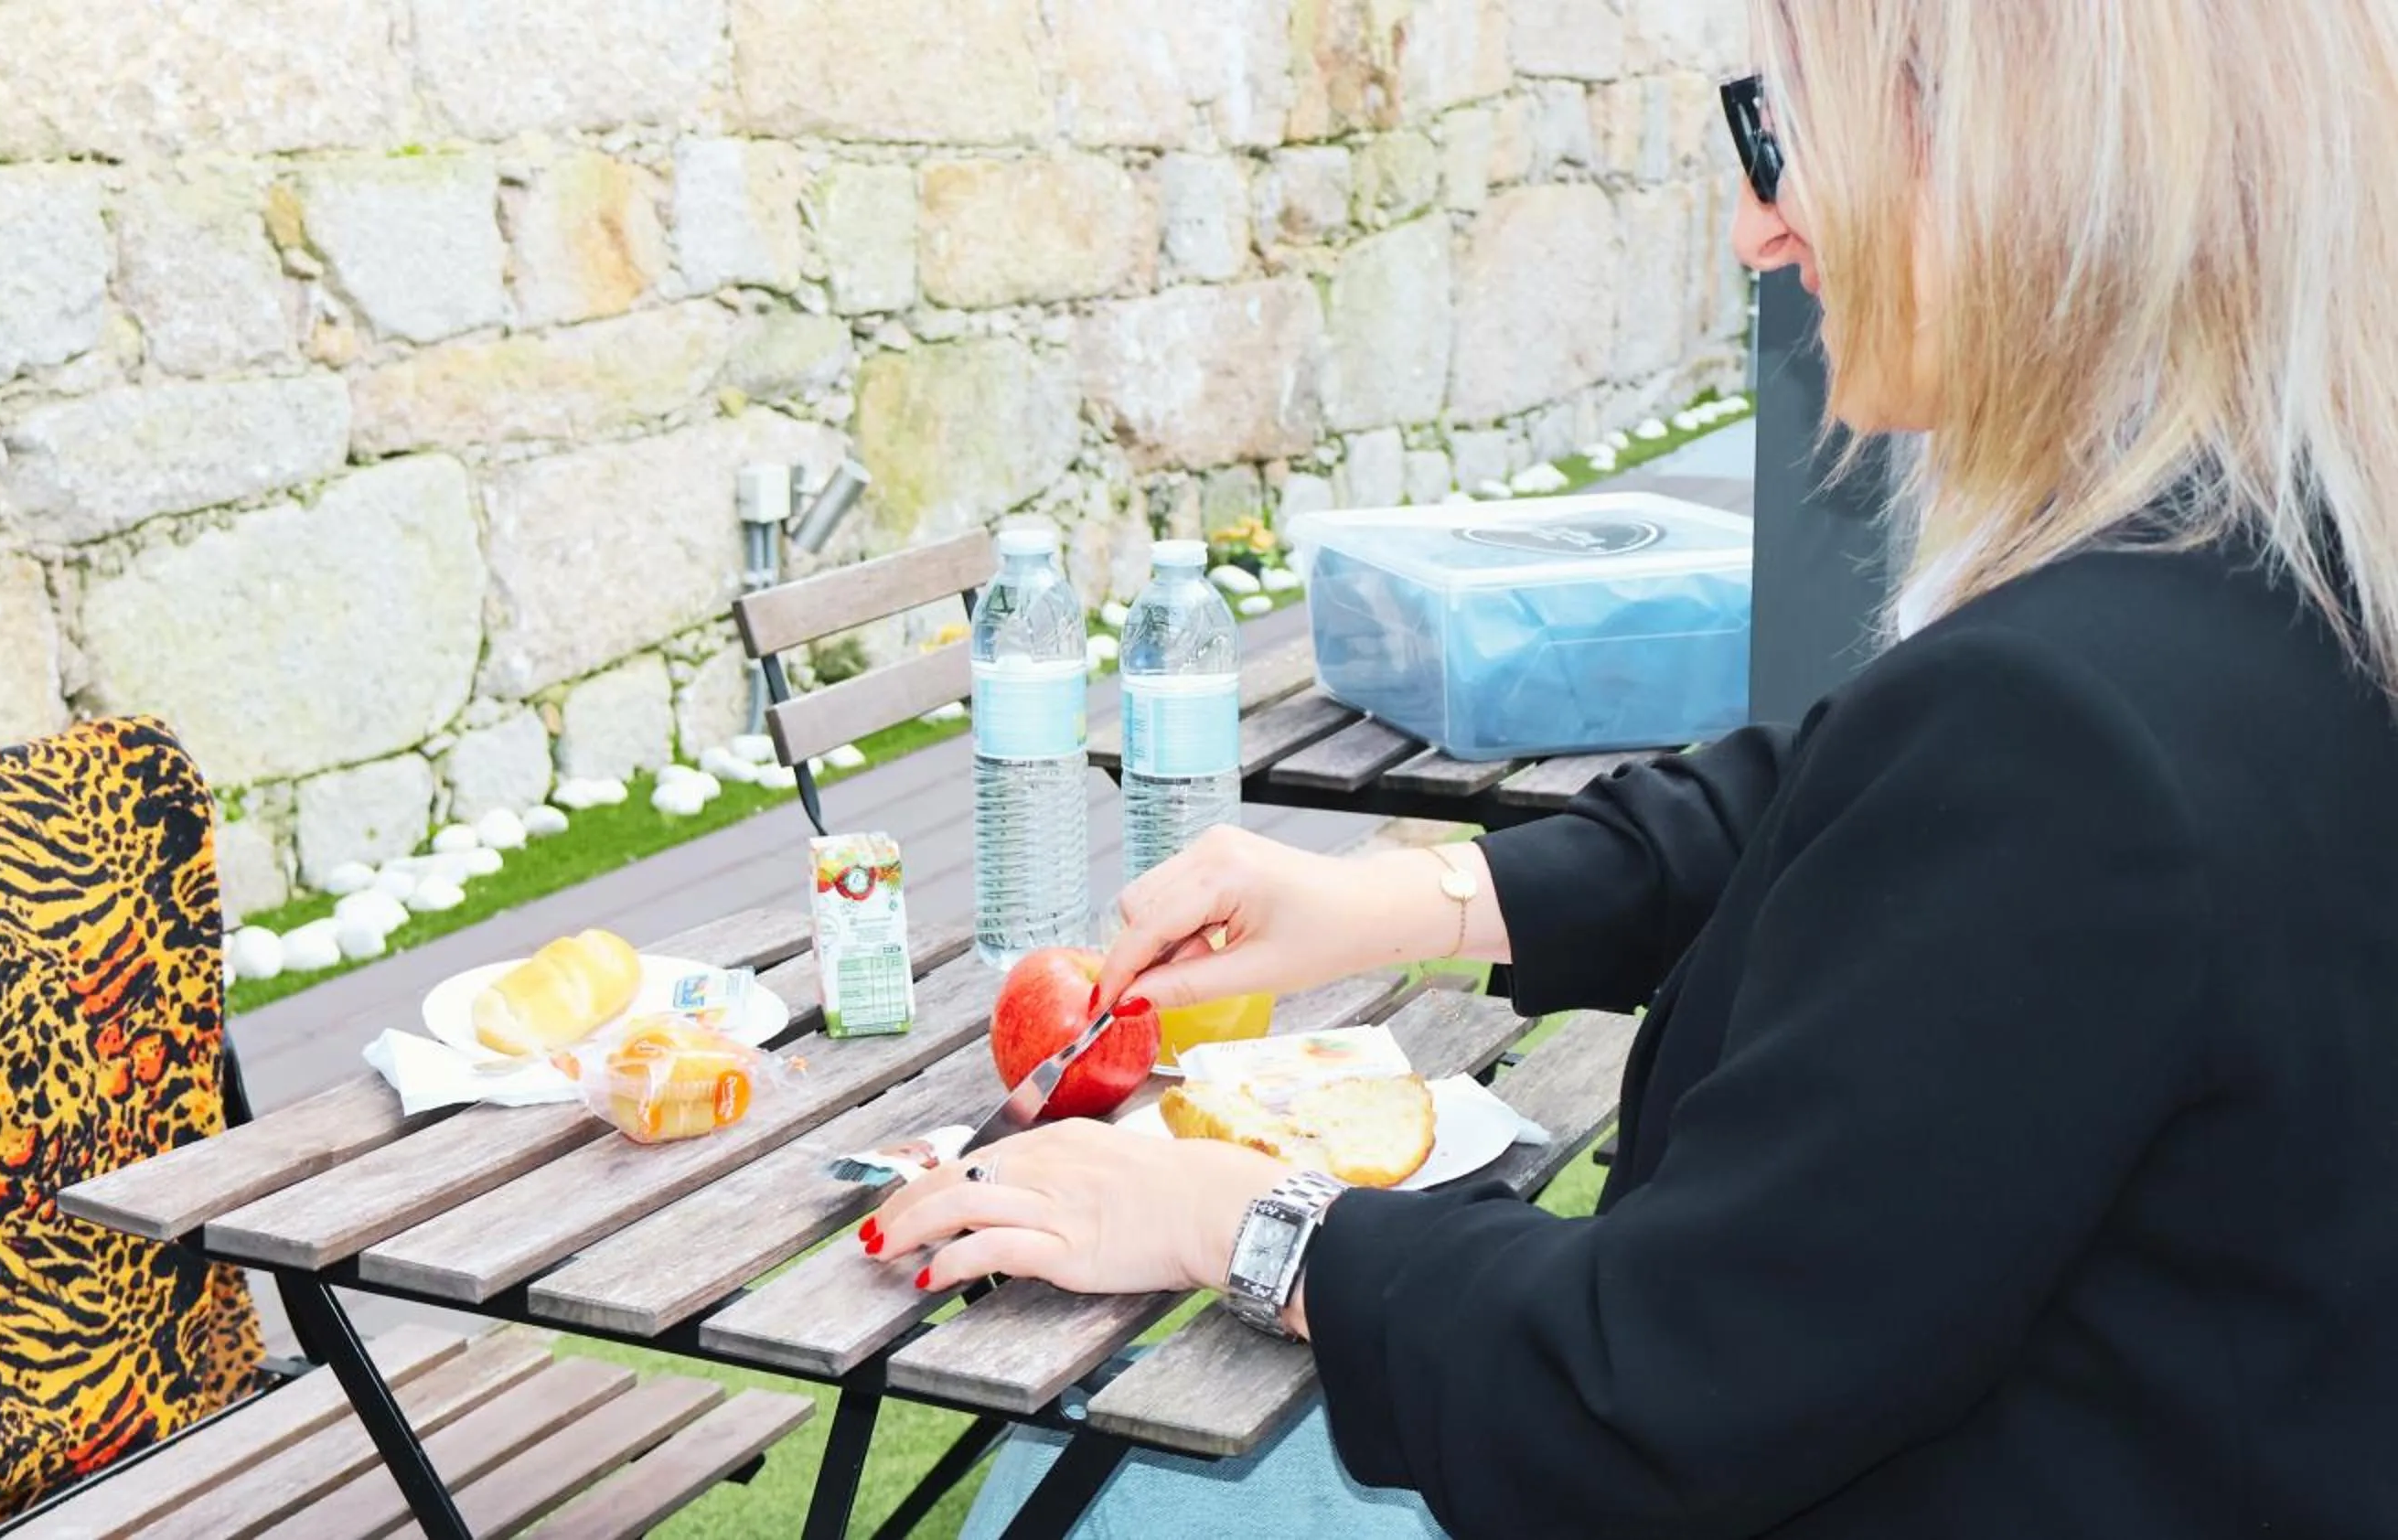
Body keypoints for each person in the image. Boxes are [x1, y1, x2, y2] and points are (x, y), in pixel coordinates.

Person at [871, 3, 2398, 1535]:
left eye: (1777, 136)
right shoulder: (2281, 588)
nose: (1755, 228)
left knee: (1111, 1484)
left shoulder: (2063, 725)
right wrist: (1403, 899)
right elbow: (1827, 804)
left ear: (2014, 158)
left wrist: (1236, 1222)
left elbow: (1651, 1389)